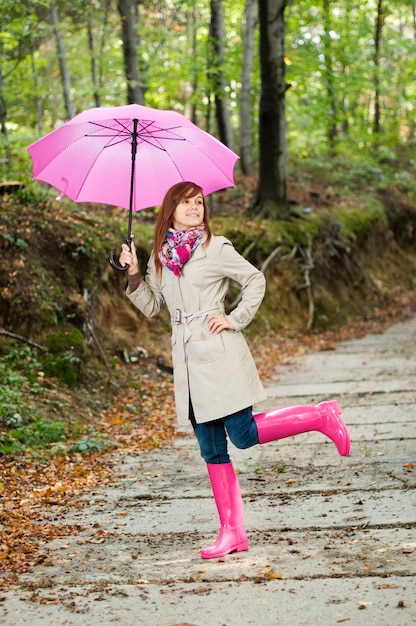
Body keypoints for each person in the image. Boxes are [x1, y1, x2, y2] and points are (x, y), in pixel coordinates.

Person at [119, 181, 351, 560]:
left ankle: (320, 416)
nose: (195, 208)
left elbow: (255, 279)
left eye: (199, 202)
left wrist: (234, 318)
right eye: (187, 202)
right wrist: (132, 273)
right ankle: (233, 533)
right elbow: (151, 306)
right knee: (211, 449)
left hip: (218, 353)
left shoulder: (215, 247)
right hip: (188, 364)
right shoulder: (160, 258)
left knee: (242, 436)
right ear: (170, 209)